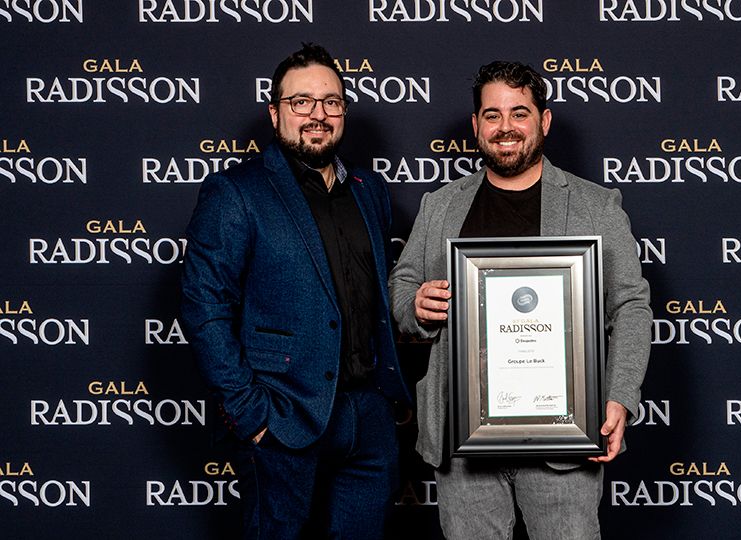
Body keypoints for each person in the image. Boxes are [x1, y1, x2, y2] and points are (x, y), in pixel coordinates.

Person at [389, 60, 651, 539]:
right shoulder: (440, 204)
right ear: (476, 126)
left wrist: (619, 397)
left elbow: (631, 307)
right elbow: (401, 286)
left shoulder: (596, 205)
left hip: (564, 444)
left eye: (519, 113)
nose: (505, 127)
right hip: (461, 443)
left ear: (544, 121)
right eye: (492, 115)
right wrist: (415, 306)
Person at [181, 43, 409, 539]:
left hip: (367, 416)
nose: (317, 115)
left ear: (344, 110)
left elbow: (376, 293)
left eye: (331, 101)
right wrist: (250, 412)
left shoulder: (369, 190)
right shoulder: (236, 192)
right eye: (300, 102)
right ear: (274, 112)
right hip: (282, 416)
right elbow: (204, 307)